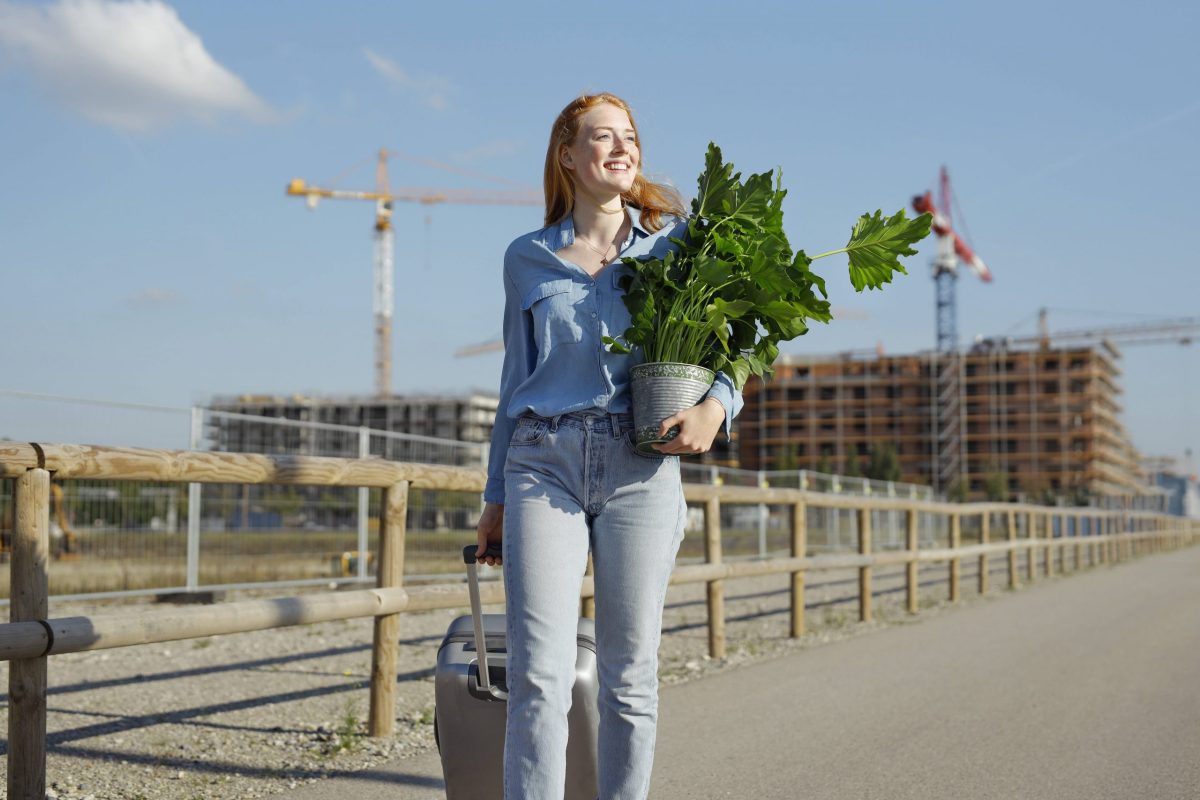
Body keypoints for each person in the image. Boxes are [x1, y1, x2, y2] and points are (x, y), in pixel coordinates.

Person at [475, 92, 743, 800]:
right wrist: (494, 497)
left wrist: (718, 405)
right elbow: (512, 379)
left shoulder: (678, 248)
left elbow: (743, 345)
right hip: (542, 462)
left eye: (630, 136)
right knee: (539, 674)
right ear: (568, 156)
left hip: (640, 467)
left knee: (630, 675)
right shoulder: (526, 258)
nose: (622, 147)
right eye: (602, 137)